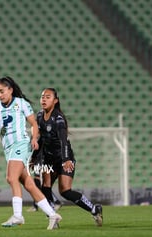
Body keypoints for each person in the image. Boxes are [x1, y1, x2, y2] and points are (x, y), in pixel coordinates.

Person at [0, 76, 62, 230]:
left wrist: (34, 138)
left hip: (20, 144)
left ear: (10, 90)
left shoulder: (21, 103)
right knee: (28, 184)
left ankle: (18, 215)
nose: (0, 95)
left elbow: (34, 124)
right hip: (8, 149)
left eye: (2, 91)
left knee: (10, 177)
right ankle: (53, 215)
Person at [36, 88, 103, 226]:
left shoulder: (58, 119)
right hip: (48, 159)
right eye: (42, 96)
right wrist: (35, 157)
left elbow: (63, 141)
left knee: (65, 191)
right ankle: (52, 217)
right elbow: (40, 139)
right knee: (45, 187)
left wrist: (66, 159)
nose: (43, 99)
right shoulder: (39, 116)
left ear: (55, 101)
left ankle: (94, 209)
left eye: (47, 97)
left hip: (63, 157)